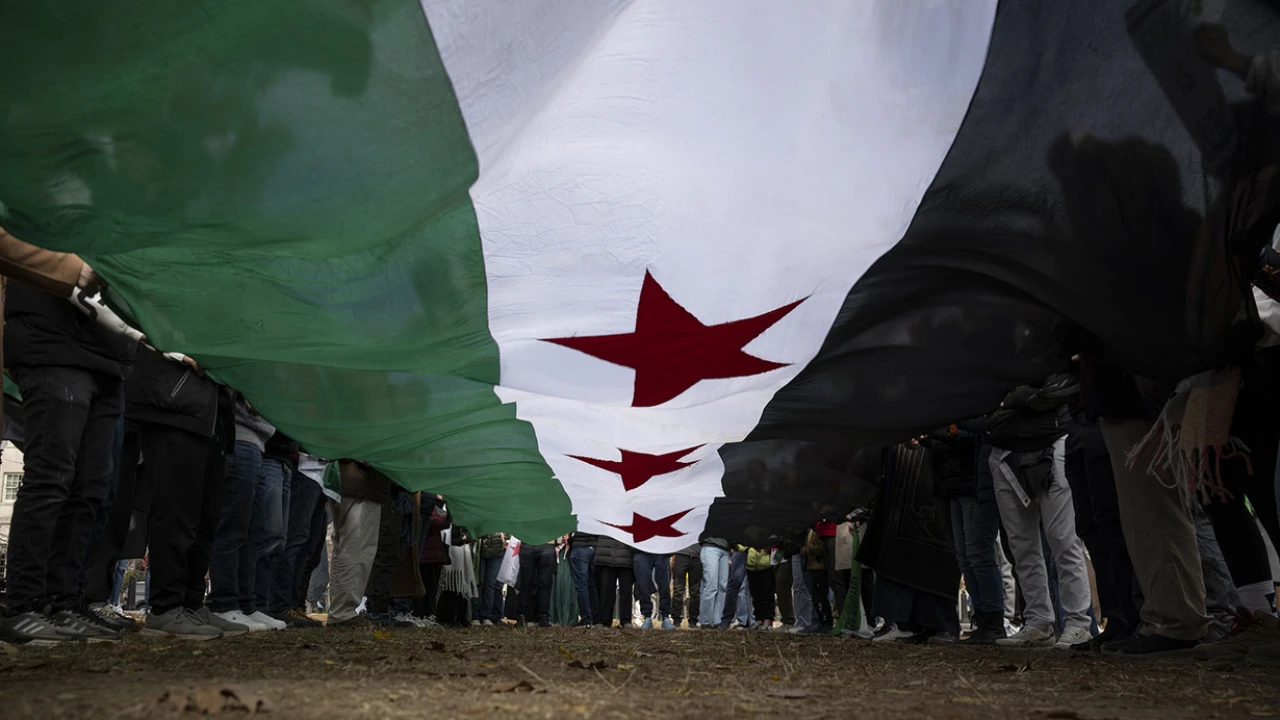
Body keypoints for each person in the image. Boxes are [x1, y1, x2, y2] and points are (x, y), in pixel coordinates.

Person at [0, 231, 137, 644]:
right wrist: (71, 269)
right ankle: (23, 604)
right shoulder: (41, 201)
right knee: (52, 478)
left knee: (92, 487)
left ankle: (64, 603)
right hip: (50, 342)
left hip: (107, 355)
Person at [124, 348, 248, 640]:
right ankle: (166, 607)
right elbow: (144, 327)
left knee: (205, 518)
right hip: (174, 404)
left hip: (211, 413)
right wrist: (177, 354)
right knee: (176, 512)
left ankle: (191, 604)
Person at [987, 372, 1094, 650]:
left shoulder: (1043, 354)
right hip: (1005, 450)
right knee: (1021, 545)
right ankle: (1038, 621)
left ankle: (1078, 622)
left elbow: (1061, 388)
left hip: (1052, 442)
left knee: (1063, 539)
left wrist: (1012, 400)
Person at [208, 398, 285, 631]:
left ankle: (245, 605)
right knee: (234, 527)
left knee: (254, 533)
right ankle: (223, 604)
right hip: (238, 436)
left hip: (258, 444)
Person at [935, 420, 1005, 644]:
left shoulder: (973, 413)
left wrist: (951, 433)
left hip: (975, 486)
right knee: (965, 558)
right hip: (956, 484)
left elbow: (978, 436)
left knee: (979, 554)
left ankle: (994, 621)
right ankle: (983, 620)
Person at [325, 460, 390, 628]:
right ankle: (343, 611)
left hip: (346, 479)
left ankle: (340, 610)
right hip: (362, 482)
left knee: (344, 546)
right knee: (357, 546)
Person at [593, 535, 634, 628]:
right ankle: (604, 620)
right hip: (606, 556)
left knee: (626, 591)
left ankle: (626, 620)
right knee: (606, 591)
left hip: (626, 556)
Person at [519, 539, 558, 628]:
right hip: (547, 543)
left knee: (526, 584)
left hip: (528, 542)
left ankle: (523, 617)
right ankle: (543, 618)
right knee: (544, 585)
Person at [474, 532, 508, 626]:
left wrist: (504, 536)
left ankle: (486, 616)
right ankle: (475, 616)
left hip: (497, 549)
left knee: (490, 584)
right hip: (479, 548)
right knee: (478, 583)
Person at [633, 551, 674, 630]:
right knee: (643, 585)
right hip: (642, 550)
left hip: (661, 551)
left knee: (664, 586)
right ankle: (647, 617)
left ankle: (665, 617)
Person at [697, 536, 731, 629]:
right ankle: (706, 621)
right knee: (710, 585)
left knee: (722, 587)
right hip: (710, 545)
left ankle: (718, 620)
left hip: (725, 548)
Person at [568, 532, 598, 628]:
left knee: (582, 586)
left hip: (580, 546)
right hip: (593, 547)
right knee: (591, 585)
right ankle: (594, 618)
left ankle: (586, 619)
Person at [672, 543, 702, 629]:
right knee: (678, 589)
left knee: (695, 591)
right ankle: (676, 619)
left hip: (697, 556)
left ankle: (693, 620)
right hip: (681, 554)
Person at [746, 547, 775, 630]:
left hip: (766, 565)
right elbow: (743, 545)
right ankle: (759, 619)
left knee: (767, 594)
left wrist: (768, 549)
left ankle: (768, 620)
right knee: (755, 595)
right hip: (751, 566)